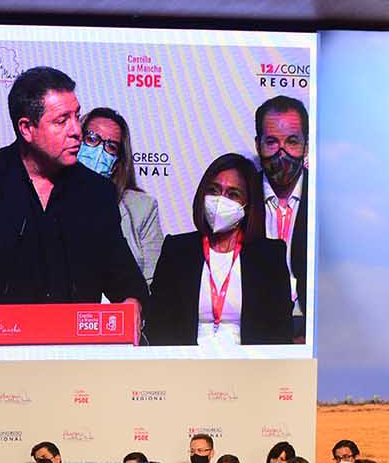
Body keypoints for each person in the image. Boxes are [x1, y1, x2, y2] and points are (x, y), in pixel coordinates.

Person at [0, 66, 148, 325]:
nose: (76, 130)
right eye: (62, 121)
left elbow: (126, 278)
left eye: (76, 116)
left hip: (74, 345)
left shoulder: (96, 192)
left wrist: (133, 302)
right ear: (26, 128)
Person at [143, 152, 291, 346]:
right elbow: (157, 325)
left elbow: (280, 331)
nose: (220, 200)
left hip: (248, 362)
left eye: (233, 194)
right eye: (213, 190)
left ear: (248, 205)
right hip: (187, 361)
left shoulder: (269, 256)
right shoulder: (177, 250)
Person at [80, 107, 163, 283]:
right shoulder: (46, 195)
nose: (99, 151)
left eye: (110, 146)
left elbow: (154, 281)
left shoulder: (142, 208)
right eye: (92, 139)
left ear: (117, 162)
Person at [255, 95, 310, 343]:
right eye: (271, 142)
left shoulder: (326, 197)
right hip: (256, 329)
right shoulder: (243, 197)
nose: (282, 152)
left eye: (292, 141)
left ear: (306, 146)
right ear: (258, 145)